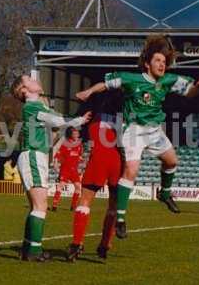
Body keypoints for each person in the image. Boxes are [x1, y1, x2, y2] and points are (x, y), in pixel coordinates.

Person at [76, 35, 199, 238]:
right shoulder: (131, 79)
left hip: (155, 130)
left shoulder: (168, 81)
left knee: (172, 162)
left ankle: (164, 193)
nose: (162, 65)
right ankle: (120, 219)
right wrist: (88, 92)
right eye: (158, 61)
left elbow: (190, 92)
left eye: (164, 62)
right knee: (131, 170)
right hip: (134, 131)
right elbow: (105, 84)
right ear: (147, 64)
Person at [11, 74, 91, 262]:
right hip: (33, 155)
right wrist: (79, 120)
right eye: (28, 80)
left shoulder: (36, 106)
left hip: (34, 155)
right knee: (40, 206)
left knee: (35, 206)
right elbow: (58, 122)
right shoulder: (33, 106)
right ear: (24, 90)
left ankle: (28, 247)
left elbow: (55, 123)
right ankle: (34, 251)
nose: (34, 79)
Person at [66, 90, 123, 261]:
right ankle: (105, 245)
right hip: (117, 162)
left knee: (85, 201)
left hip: (98, 159)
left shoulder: (92, 116)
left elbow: (77, 124)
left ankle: (77, 244)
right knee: (113, 206)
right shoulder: (123, 119)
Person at [51, 127, 84, 211]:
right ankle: (54, 205)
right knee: (61, 186)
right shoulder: (65, 144)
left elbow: (79, 155)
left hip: (74, 170)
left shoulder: (79, 144)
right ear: (70, 135)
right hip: (65, 169)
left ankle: (73, 206)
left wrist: (80, 159)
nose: (77, 135)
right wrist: (55, 163)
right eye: (75, 133)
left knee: (78, 187)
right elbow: (58, 154)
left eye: (77, 133)